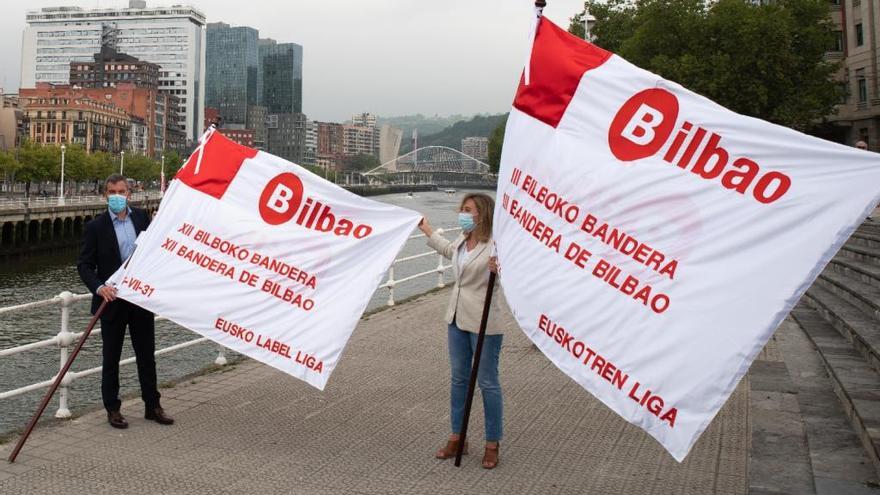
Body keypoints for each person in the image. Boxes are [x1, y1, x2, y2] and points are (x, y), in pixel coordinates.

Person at [77, 174, 174, 429]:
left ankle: (153, 406)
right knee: (111, 358)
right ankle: (113, 409)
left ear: (129, 193)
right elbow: (84, 265)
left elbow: (156, 250)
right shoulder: (95, 227)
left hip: (139, 300)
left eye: (121, 191)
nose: (117, 196)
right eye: (112, 192)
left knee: (146, 356)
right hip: (112, 302)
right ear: (105, 195)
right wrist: (99, 287)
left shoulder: (142, 218)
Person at [419, 192, 504, 469]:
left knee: (487, 383)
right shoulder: (462, 240)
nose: (462, 213)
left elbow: (511, 275)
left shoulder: (495, 246)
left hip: (483, 322)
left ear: (482, 214)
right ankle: (458, 436)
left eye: (467, 209)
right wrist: (428, 230)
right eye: (462, 209)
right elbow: (448, 251)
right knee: (458, 380)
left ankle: (492, 443)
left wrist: (500, 269)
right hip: (455, 319)